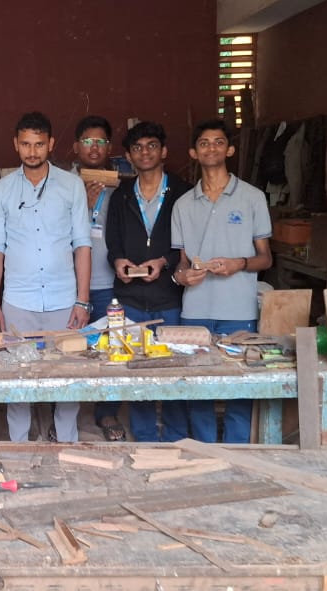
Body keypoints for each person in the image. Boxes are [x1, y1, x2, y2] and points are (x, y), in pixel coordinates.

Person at [0, 111, 91, 443]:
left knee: (68, 378)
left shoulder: (71, 185)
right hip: (17, 300)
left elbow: (83, 245)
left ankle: (66, 443)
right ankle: (20, 448)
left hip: (63, 298)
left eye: (39, 144)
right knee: (18, 379)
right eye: (26, 144)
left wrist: (82, 300)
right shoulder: (1, 190)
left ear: (51, 144)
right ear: (16, 145)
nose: (32, 152)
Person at [170, 119, 273, 443]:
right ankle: (204, 450)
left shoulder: (252, 198)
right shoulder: (183, 204)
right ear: (193, 152)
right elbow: (182, 263)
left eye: (218, 142)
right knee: (197, 386)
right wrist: (183, 276)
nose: (211, 148)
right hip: (195, 310)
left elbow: (266, 258)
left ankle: (237, 450)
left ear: (229, 149)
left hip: (239, 310)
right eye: (204, 143)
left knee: (239, 385)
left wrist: (238, 263)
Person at [106, 121, 191, 442]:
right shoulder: (122, 196)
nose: (145, 152)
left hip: (169, 298)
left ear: (164, 151)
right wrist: (118, 262)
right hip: (129, 300)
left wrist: (164, 261)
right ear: (128, 155)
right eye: (138, 147)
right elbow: (113, 243)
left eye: (152, 145)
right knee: (136, 374)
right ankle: (143, 438)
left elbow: (188, 244)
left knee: (172, 371)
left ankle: (176, 439)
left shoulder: (183, 193)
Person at [71, 115, 127, 442]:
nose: (94, 148)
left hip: (109, 285)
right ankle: (65, 416)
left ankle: (106, 413)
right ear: (76, 147)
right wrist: (84, 205)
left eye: (100, 141)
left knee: (109, 351)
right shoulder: (62, 185)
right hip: (71, 287)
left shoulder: (122, 187)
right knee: (69, 352)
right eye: (87, 142)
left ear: (109, 147)